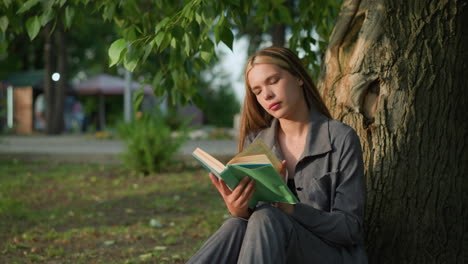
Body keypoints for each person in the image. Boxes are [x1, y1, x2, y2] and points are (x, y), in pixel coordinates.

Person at [187, 46, 367, 263]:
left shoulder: (340, 138)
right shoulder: (256, 142)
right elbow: (252, 225)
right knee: (235, 225)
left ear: (298, 77)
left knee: (268, 217)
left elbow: (350, 229)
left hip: (330, 255)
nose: (267, 95)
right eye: (258, 91)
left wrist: (292, 210)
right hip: (273, 251)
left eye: (273, 81)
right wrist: (239, 209)